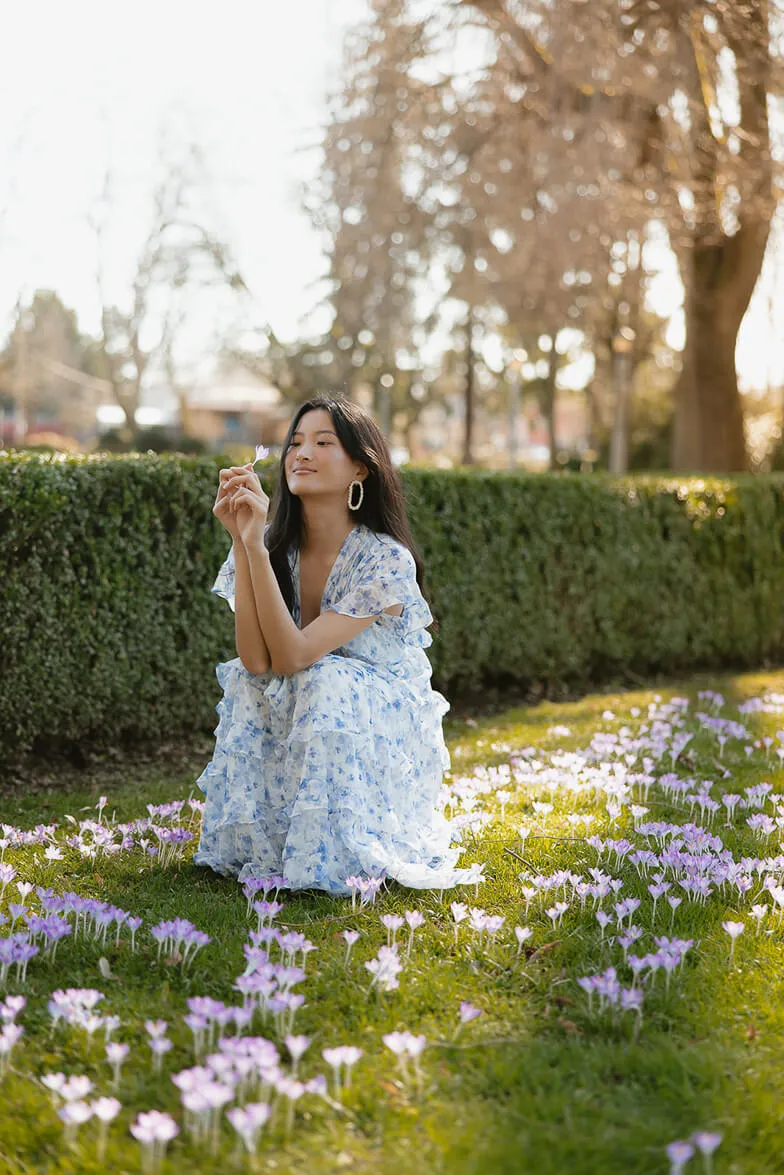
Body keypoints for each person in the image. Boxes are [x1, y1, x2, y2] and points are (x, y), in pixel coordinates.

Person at [193, 393, 472, 896]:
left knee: (323, 674)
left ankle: (341, 844)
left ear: (361, 470)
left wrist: (254, 547)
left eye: (324, 442)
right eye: (295, 442)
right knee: (244, 676)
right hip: (309, 690)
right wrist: (245, 540)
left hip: (381, 712)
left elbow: (297, 655)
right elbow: (259, 661)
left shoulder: (386, 560)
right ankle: (280, 841)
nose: (302, 453)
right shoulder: (272, 546)